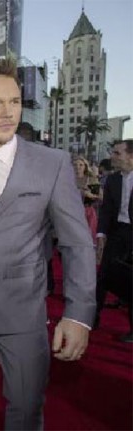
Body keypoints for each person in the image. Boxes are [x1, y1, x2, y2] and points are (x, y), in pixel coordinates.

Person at [0, 59, 96, 430]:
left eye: (15, 101)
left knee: (25, 406)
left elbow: (77, 243)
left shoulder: (51, 164)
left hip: (23, 304)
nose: (9, 112)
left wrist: (77, 314)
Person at [95, 139, 133, 340]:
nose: (113, 156)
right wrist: (101, 234)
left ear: (130, 156)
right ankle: (91, 319)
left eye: (117, 153)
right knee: (103, 276)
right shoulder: (112, 180)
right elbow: (107, 210)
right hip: (117, 232)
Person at [73, 155, 102, 242]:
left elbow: (101, 196)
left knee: (88, 237)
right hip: (72, 211)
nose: (77, 167)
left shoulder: (91, 179)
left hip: (87, 211)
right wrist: (81, 192)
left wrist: (91, 195)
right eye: (75, 165)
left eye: (81, 165)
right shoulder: (67, 179)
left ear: (85, 166)